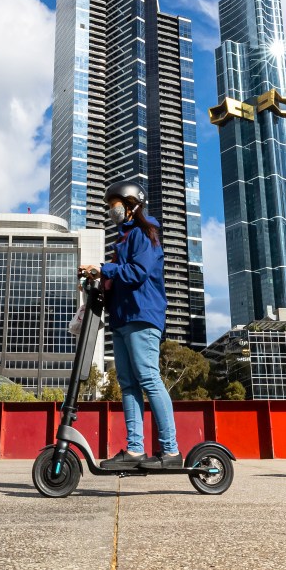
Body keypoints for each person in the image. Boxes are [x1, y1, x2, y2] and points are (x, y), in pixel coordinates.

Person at [79, 180, 181, 470]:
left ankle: (170, 451)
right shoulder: (122, 240)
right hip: (122, 318)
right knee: (127, 384)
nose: (112, 211)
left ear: (132, 204)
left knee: (148, 378)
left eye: (115, 205)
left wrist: (104, 267)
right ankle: (135, 450)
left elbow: (138, 272)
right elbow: (118, 276)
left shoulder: (144, 234)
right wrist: (97, 277)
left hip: (142, 314)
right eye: (110, 207)